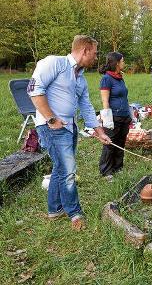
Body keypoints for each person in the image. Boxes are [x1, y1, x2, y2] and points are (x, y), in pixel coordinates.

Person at [28, 35, 111, 231]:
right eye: (95, 53)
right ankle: (74, 213)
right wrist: (51, 119)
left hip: (69, 127)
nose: (96, 58)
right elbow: (33, 90)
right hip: (51, 127)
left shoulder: (80, 77)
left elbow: (86, 106)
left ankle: (55, 209)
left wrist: (99, 131)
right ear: (85, 50)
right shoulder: (54, 63)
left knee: (61, 168)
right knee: (68, 171)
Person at [98, 52, 132, 180]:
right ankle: (106, 171)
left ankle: (118, 167)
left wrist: (130, 113)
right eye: (122, 61)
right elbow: (105, 100)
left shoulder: (120, 77)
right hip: (114, 117)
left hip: (124, 116)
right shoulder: (106, 78)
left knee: (120, 143)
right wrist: (107, 119)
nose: (124, 63)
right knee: (110, 144)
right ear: (117, 63)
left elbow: (124, 97)